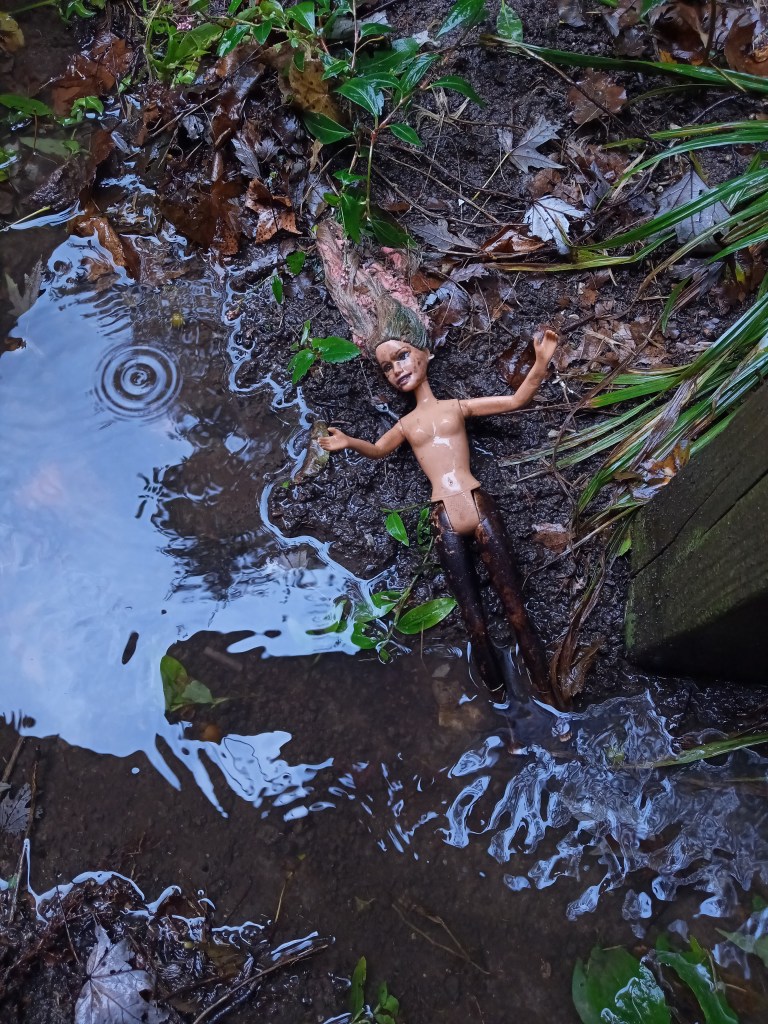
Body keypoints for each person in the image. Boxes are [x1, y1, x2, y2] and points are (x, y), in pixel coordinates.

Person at [315, 276, 562, 708]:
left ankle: (548, 697)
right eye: (387, 367)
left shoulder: (455, 408)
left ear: (425, 353)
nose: (397, 370)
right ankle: (502, 709)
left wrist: (540, 362)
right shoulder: (406, 424)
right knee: (474, 620)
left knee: (516, 610)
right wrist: (349, 442)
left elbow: (514, 401)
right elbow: (379, 449)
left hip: (477, 502)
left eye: (402, 356)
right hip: (443, 516)